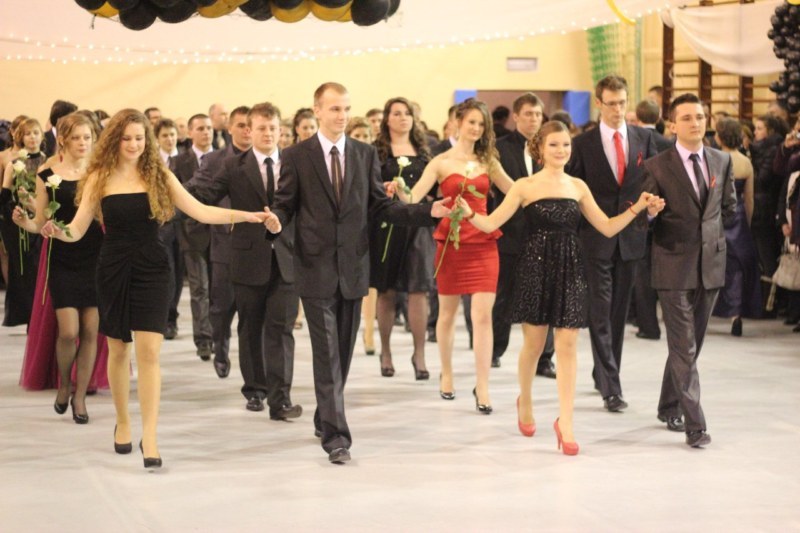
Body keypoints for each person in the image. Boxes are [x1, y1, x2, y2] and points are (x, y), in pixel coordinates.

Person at [41, 109, 268, 469]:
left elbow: (201, 211)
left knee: (149, 353)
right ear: (115, 140)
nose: (134, 144)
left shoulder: (159, 174)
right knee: (119, 350)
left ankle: (151, 435)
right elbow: (78, 228)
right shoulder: (99, 177)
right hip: (113, 269)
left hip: (153, 269)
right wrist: (57, 231)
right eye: (127, 138)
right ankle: (123, 422)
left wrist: (247, 217)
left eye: (139, 138)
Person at [263, 82, 450, 464]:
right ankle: (337, 437)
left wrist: (425, 212)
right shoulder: (297, 156)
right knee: (327, 351)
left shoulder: (364, 154)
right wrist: (276, 222)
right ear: (317, 110)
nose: (342, 116)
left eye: (346, 109)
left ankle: (324, 414)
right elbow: (286, 204)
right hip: (314, 268)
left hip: (353, 268)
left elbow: (381, 208)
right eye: (335, 109)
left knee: (343, 354)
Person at [458, 120, 663, 455]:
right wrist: (468, 214)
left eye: (566, 144)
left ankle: (565, 423)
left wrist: (638, 207)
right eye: (554, 144)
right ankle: (525, 399)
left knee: (567, 344)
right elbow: (491, 223)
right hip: (534, 269)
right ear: (539, 148)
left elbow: (607, 227)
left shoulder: (578, 186)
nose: (561, 150)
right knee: (534, 345)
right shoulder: (524, 186)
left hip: (570, 269)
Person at [397, 98, 514, 414]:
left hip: (484, 242)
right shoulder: (440, 162)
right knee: (447, 314)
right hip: (451, 243)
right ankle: (446, 373)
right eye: (471, 122)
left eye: (481, 124)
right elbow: (414, 197)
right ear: (458, 122)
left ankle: (483, 384)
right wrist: (398, 187)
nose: (476, 128)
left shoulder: (489, 160)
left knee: (482, 315)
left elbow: (513, 191)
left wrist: (498, 215)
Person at [189, 102, 302, 418]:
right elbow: (205, 195)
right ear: (249, 131)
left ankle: (281, 399)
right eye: (261, 128)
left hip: (287, 259)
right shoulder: (234, 166)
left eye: (273, 128)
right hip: (247, 257)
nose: (268, 134)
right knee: (251, 326)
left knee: (281, 328)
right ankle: (254, 390)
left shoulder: (294, 164)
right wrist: (170, 192)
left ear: (281, 131)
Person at [642, 93, 737, 448]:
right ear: (672, 125)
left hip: (710, 263)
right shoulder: (656, 166)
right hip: (672, 263)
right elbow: (644, 218)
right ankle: (695, 424)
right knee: (683, 345)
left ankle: (668, 405)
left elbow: (728, 207)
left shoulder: (721, 160)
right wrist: (651, 213)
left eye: (699, 116)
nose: (695, 123)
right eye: (686, 118)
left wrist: (711, 238)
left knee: (690, 345)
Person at [566, 74, 658, 413]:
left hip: (631, 238)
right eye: (611, 103)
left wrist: (653, 208)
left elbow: (652, 180)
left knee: (618, 313)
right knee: (600, 311)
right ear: (598, 103)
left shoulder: (644, 139)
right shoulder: (582, 144)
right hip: (594, 239)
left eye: (622, 103)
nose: (618, 109)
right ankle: (611, 387)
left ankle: (604, 372)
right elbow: (573, 190)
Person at [13, 113, 104, 422]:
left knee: (90, 330)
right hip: (61, 257)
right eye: (76, 137)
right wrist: (26, 223)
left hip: (95, 256)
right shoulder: (47, 174)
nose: (83, 143)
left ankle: (80, 396)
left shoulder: (100, 173)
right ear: (63, 140)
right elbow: (41, 222)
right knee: (69, 331)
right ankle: (64, 383)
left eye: (87, 137)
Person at [490, 92, 556, 377]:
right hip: (511, 234)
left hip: (545, 236)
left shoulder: (551, 149)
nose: (534, 119)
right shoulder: (500, 149)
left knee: (546, 298)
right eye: (528, 114)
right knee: (504, 296)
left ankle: (544, 358)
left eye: (538, 114)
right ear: (516, 116)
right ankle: (494, 349)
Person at [370, 97, 434, 380]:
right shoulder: (376, 152)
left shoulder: (424, 151)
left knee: (419, 289)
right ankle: (385, 351)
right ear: (387, 119)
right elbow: (369, 188)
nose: (403, 118)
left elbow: (434, 188)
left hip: (418, 225)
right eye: (397, 113)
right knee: (386, 291)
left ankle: (419, 354)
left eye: (407, 113)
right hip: (387, 225)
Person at [187, 105, 251, 379]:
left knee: (251, 311)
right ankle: (221, 348)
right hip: (224, 243)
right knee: (222, 307)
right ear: (229, 128)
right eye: (241, 125)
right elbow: (195, 189)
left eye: (251, 125)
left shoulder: (267, 158)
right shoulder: (214, 160)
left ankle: (252, 369)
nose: (247, 131)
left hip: (257, 244)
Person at [711, 118, 762, 335]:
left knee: (714, 265)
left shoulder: (712, 159)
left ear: (719, 137)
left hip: (716, 217)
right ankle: (736, 315)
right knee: (739, 268)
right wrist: (746, 222)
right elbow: (749, 198)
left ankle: (707, 310)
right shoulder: (745, 162)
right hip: (738, 217)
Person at [173, 114, 214, 360]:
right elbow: (174, 198)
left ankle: (218, 335)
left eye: (209, 128)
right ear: (190, 132)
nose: (206, 132)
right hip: (191, 233)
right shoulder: (179, 162)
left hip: (219, 233)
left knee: (219, 289)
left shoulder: (224, 158)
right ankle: (204, 339)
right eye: (200, 128)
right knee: (199, 288)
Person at [1, 117, 46, 327]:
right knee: (23, 268)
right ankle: (27, 315)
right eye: (28, 134)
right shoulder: (14, 164)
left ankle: (39, 316)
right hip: (18, 223)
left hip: (41, 219)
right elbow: (4, 195)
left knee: (39, 267)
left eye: (36, 133)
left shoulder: (48, 161)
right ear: (21, 138)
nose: (32, 137)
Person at [154, 119, 183, 340]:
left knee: (180, 273)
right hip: (162, 225)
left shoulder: (184, 159)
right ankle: (168, 319)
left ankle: (172, 314)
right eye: (165, 135)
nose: (170, 139)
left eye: (172, 134)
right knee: (169, 272)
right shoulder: (153, 162)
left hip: (183, 224)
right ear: (157, 138)